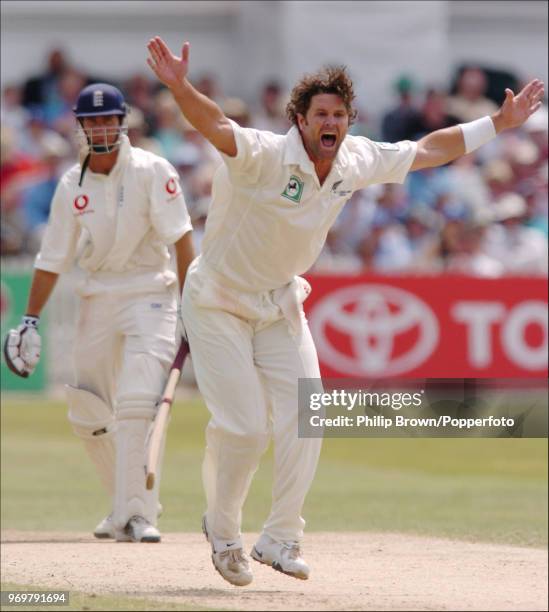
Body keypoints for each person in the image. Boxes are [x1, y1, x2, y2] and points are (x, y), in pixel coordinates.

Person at [146, 36, 544, 585]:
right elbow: (214, 125)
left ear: (348, 120)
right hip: (216, 298)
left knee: (306, 419)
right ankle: (224, 531)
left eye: (339, 114)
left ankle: (281, 537)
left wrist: (497, 124)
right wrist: (180, 86)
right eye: (320, 114)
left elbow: (429, 148)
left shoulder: (354, 158)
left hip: (278, 300)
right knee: (243, 429)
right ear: (301, 120)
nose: (330, 122)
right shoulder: (264, 153)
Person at [3, 82, 195, 542]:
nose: (102, 127)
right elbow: (51, 259)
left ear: (122, 121)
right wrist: (28, 319)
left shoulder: (154, 170)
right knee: (86, 411)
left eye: (109, 119)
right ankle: (125, 505)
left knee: (134, 403)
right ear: (82, 127)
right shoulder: (73, 184)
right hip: (98, 295)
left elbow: (183, 242)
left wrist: (191, 308)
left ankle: (138, 514)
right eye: (93, 121)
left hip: (152, 291)